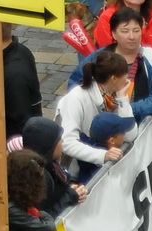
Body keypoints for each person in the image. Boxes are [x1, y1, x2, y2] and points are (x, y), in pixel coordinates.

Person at [57, 51, 136, 179]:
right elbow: (67, 142)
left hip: (96, 166)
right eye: (125, 76)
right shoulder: (76, 99)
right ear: (114, 79)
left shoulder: (114, 95)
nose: (127, 81)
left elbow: (130, 135)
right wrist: (102, 155)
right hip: (75, 174)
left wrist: (123, 98)